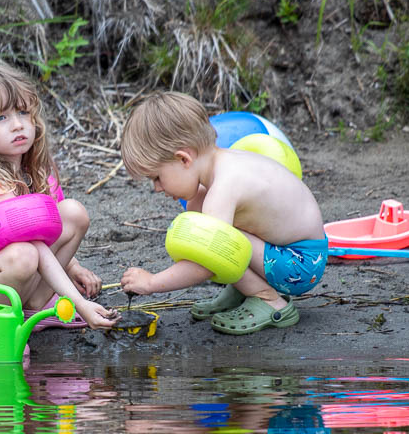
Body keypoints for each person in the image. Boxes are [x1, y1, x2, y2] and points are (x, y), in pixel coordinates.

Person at [0, 63, 117, 333]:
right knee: (23, 254)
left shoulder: (31, 168)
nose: (18, 125)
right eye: (1, 118)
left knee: (72, 213)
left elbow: (45, 232)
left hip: (12, 269)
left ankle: (31, 310)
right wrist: (78, 303)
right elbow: (34, 246)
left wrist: (72, 267)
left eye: (23, 112)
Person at [119, 92, 327, 334]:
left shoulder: (223, 189)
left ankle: (269, 300)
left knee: (218, 247)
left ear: (184, 159)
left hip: (300, 265)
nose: (156, 188)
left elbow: (208, 263)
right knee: (205, 215)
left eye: (157, 177)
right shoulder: (223, 162)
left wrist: (152, 283)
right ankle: (243, 290)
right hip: (292, 252)